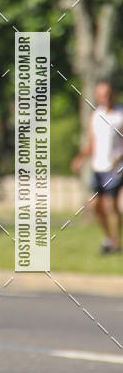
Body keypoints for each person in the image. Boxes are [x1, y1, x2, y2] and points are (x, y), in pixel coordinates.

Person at [72, 80, 123, 254]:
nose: (105, 98)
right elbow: (93, 143)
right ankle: (109, 239)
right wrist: (80, 158)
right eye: (101, 95)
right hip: (98, 167)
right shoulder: (96, 115)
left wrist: (119, 157)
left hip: (115, 168)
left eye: (108, 94)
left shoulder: (120, 114)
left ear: (112, 94)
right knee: (95, 206)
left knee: (111, 205)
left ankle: (115, 242)